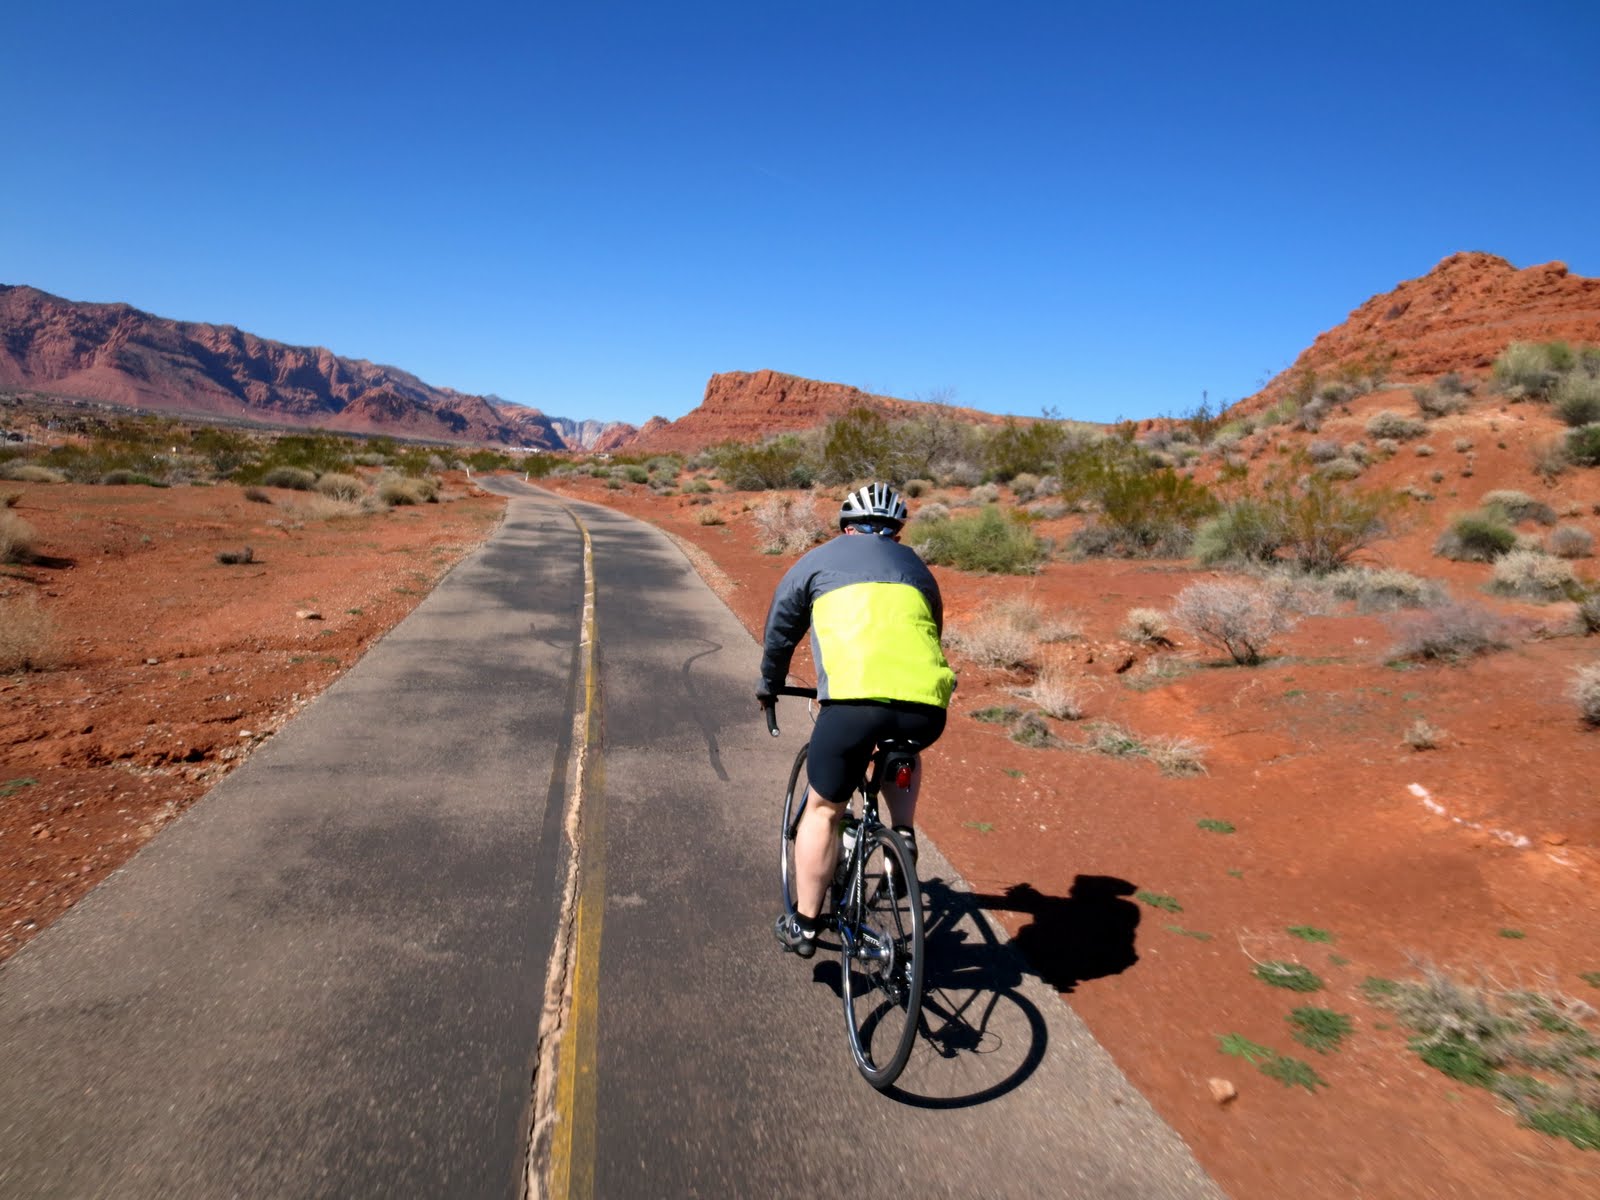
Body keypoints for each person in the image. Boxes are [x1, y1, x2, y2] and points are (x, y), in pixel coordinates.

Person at [757, 482, 956, 958]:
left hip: (851, 705)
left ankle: (805, 925)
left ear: (847, 525)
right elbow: (932, 630)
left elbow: (782, 625)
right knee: (899, 748)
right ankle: (902, 832)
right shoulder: (918, 569)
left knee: (825, 809)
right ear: (896, 532)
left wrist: (770, 683)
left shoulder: (818, 559)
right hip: (926, 707)